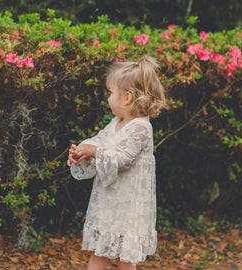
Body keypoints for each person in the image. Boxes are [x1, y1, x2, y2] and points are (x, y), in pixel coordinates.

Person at [67, 55, 166, 270]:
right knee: (99, 250)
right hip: (108, 204)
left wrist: (95, 151)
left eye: (111, 93)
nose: (108, 98)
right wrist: (83, 151)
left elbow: (123, 159)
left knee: (124, 257)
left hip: (128, 207)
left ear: (127, 98)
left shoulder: (140, 128)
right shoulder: (116, 122)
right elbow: (99, 141)